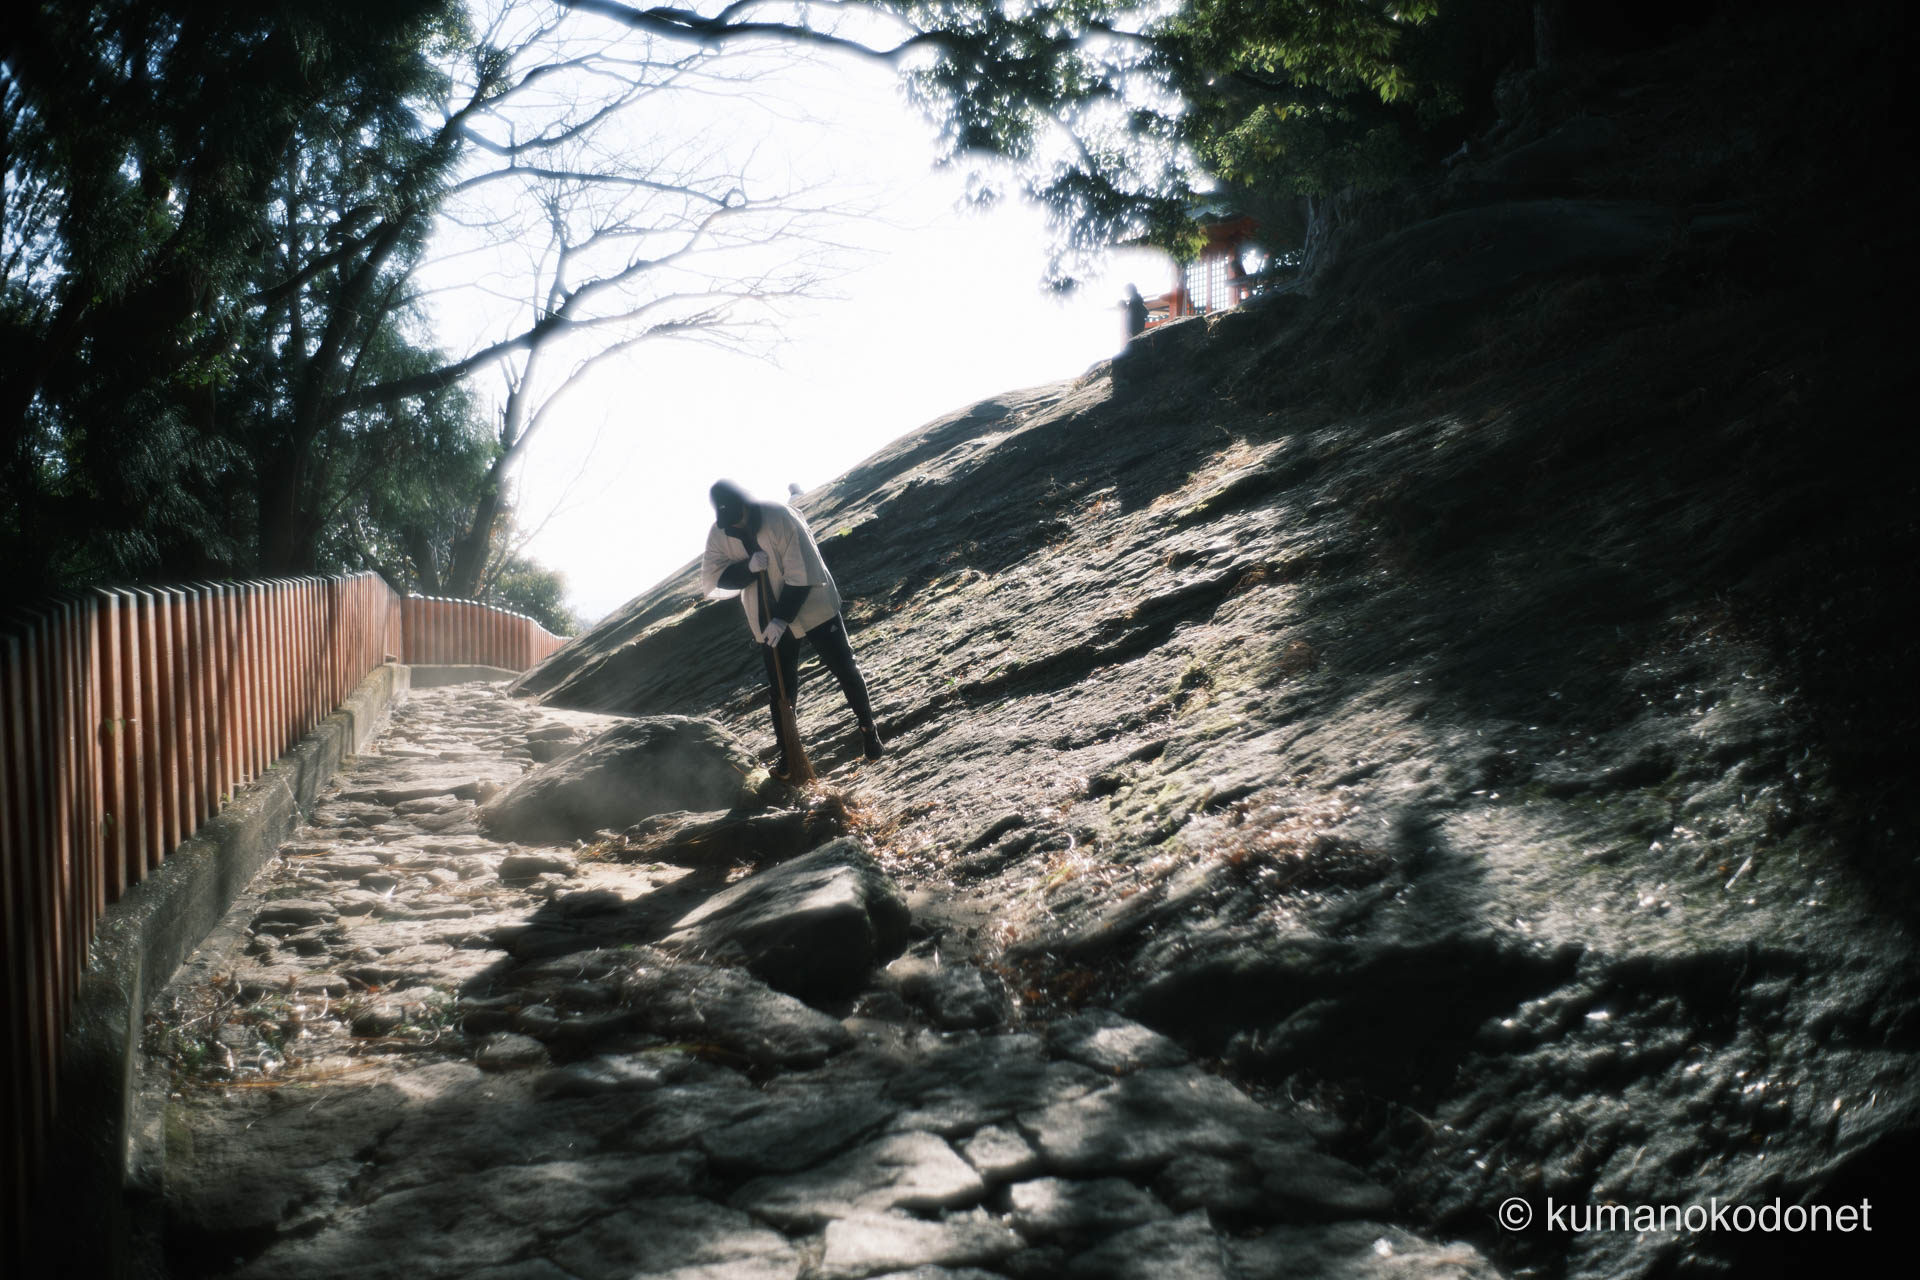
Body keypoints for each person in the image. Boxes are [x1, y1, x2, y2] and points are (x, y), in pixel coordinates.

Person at [700, 478, 883, 774]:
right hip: (766, 615)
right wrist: (746, 569)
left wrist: (781, 618)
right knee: (781, 691)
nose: (734, 525)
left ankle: (868, 729)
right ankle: (789, 756)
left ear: (746, 504)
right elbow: (714, 577)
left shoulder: (779, 517)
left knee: (844, 667)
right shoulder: (721, 532)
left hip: (812, 605)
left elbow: (802, 572)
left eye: (737, 517)